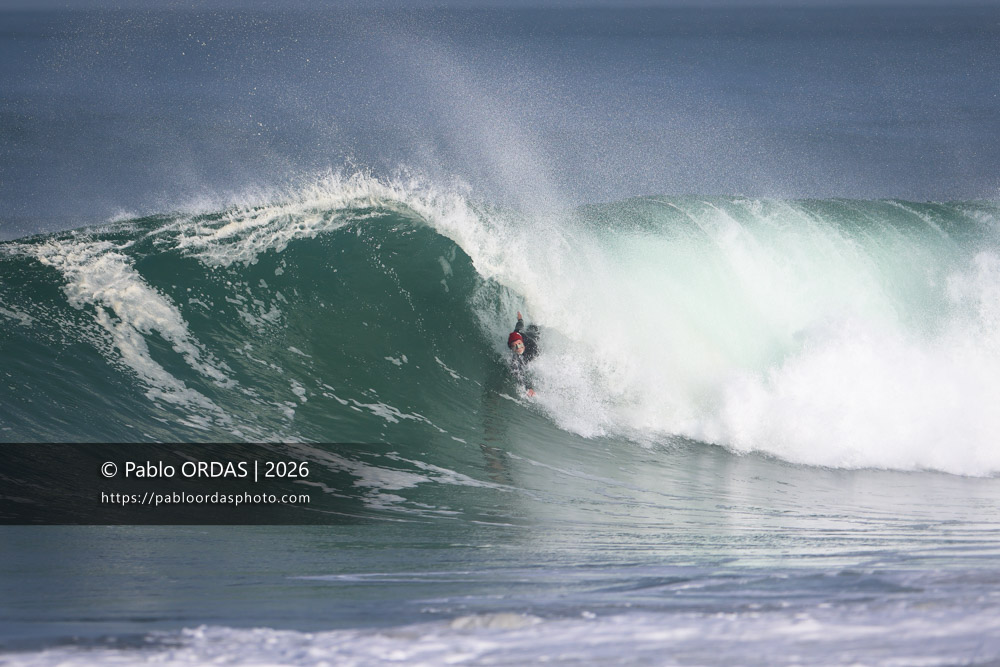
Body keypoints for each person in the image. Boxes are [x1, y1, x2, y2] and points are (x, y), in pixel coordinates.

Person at [507, 311, 539, 396]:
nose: (518, 348)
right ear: (512, 348)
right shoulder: (515, 336)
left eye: (519, 344)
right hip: (526, 336)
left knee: (534, 326)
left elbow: (520, 324)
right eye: (515, 346)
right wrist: (528, 388)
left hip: (534, 336)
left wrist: (520, 318)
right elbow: (518, 373)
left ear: (522, 342)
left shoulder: (531, 348)